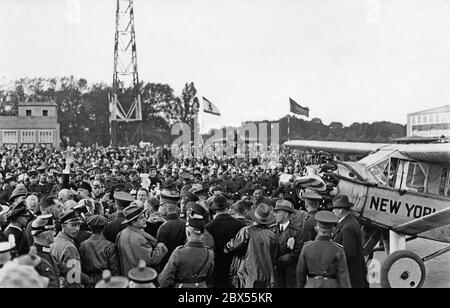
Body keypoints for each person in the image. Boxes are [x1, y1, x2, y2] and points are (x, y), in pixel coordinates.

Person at [225, 203, 277, 288]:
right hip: (267, 277)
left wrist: (228, 245)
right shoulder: (272, 235)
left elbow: (231, 247)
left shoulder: (246, 231)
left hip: (248, 275)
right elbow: (274, 258)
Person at [296, 210, 351, 288]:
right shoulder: (338, 250)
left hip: (311, 285)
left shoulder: (306, 248)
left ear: (317, 228)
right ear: (332, 229)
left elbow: (300, 274)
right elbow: (343, 277)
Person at [158, 213, 214, 288]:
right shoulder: (209, 252)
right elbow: (209, 274)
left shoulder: (179, 252)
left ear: (187, 232)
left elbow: (164, 278)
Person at [205, 194, 246, 288]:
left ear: (214, 209)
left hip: (216, 270)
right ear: (227, 207)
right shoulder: (240, 225)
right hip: (236, 270)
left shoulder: (208, 228)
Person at [116, 203, 168, 276]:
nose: (145, 219)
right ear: (133, 221)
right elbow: (152, 259)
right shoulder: (139, 238)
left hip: (128, 276)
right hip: (141, 278)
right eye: (141, 218)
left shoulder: (121, 234)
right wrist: (160, 246)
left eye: (144, 217)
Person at [331, 195, 369, 288]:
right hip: (354, 272)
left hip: (351, 274)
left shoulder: (347, 226)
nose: (332, 211)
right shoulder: (349, 221)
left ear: (340, 210)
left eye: (334, 209)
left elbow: (348, 253)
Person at [50, 210, 92, 288]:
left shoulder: (54, 241)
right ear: (63, 226)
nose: (77, 229)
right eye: (73, 225)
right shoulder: (69, 247)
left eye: (79, 225)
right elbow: (73, 278)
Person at [80, 215, 120, 285]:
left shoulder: (83, 245)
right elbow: (115, 270)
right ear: (104, 227)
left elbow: (81, 266)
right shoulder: (109, 246)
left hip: (89, 281)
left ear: (89, 228)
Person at [272, 199, 303, 288]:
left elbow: (296, 252)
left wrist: (278, 261)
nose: (274, 215)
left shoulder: (297, 231)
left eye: (277, 212)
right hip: (275, 273)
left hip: (289, 273)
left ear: (286, 214)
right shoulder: (271, 230)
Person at [156, 190, 186, 268]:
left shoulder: (164, 227)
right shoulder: (184, 224)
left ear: (167, 207)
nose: (160, 208)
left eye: (161, 205)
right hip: (182, 264)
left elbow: (160, 253)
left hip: (167, 266)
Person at [30, 214, 61, 288]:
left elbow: (64, 269)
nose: (55, 233)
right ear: (45, 236)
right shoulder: (34, 260)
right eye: (53, 230)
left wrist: (89, 280)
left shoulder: (47, 252)